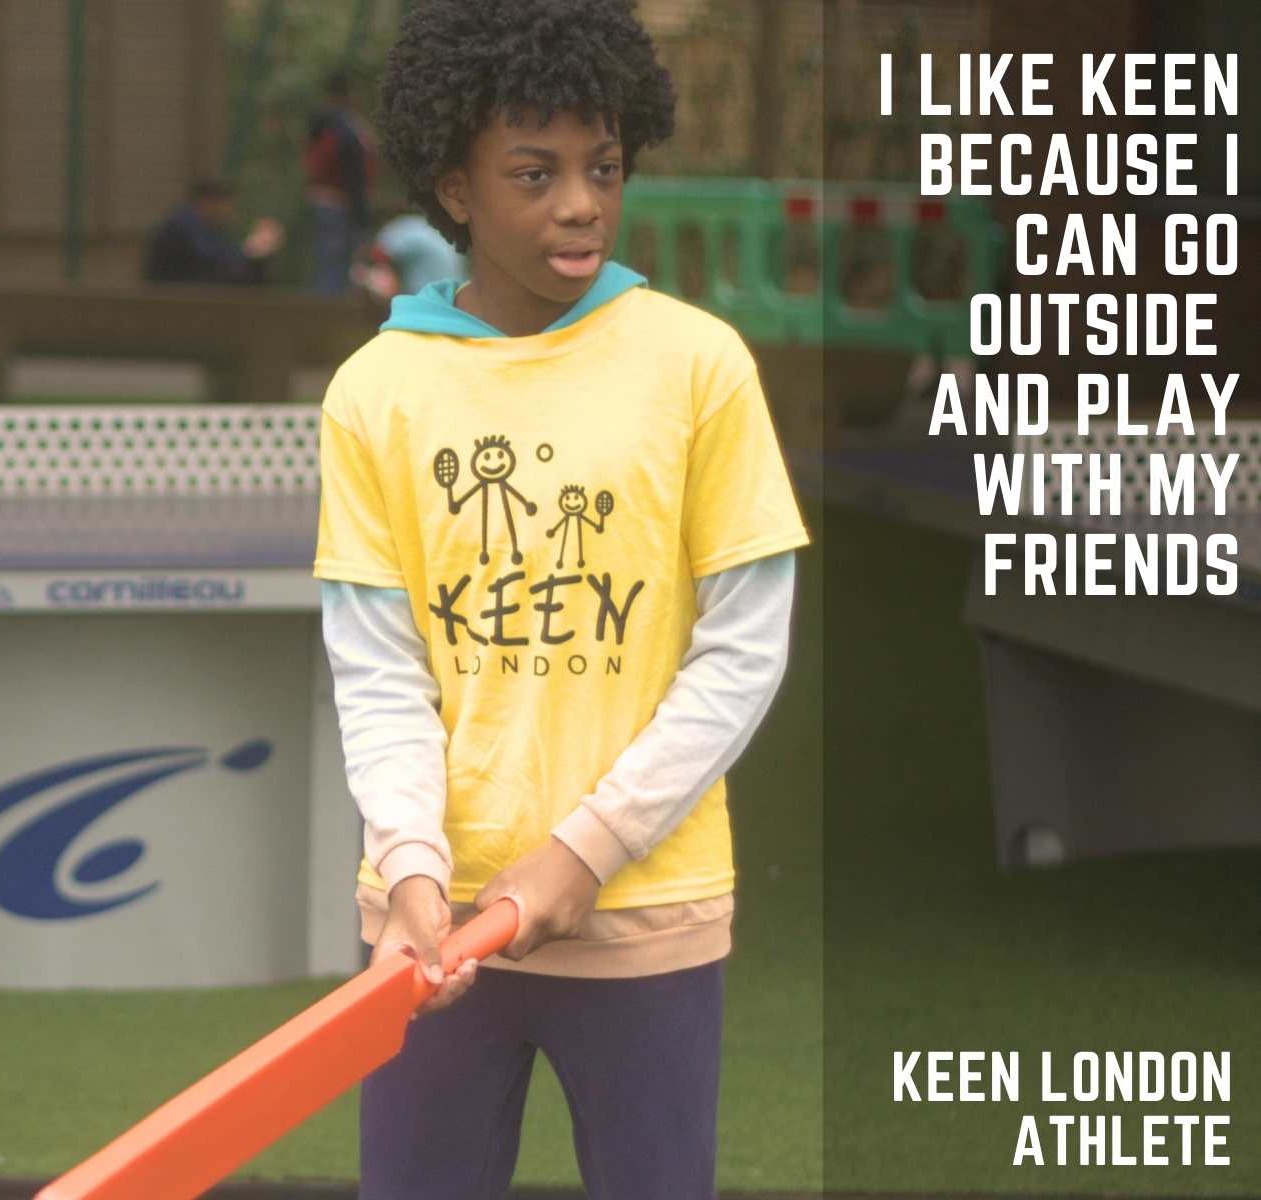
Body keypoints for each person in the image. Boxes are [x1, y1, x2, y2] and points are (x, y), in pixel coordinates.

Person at [312, 2, 807, 1197]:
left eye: (602, 167)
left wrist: (585, 852)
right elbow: (379, 667)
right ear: (456, 188)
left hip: (645, 919)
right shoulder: (376, 389)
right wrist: (416, 868)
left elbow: (741, 649)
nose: (579, 204)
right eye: (533, 174)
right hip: (430, 935)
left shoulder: (697, 365)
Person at [303, 69, 378, 295]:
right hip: (339, 200)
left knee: (331, 258)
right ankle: (328, 309)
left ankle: (328, 301)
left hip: (325, 197)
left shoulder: (325, 123)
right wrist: (360, 206)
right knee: (335, 259)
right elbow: (351, 167)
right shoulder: (342, 125)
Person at [142, 179, 285, 285]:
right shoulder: (185, 222)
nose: (230, 212)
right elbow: (210, 258)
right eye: (228, 205)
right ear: (209, 203)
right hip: (174, 294)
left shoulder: (204, 226)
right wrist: (251, 250)